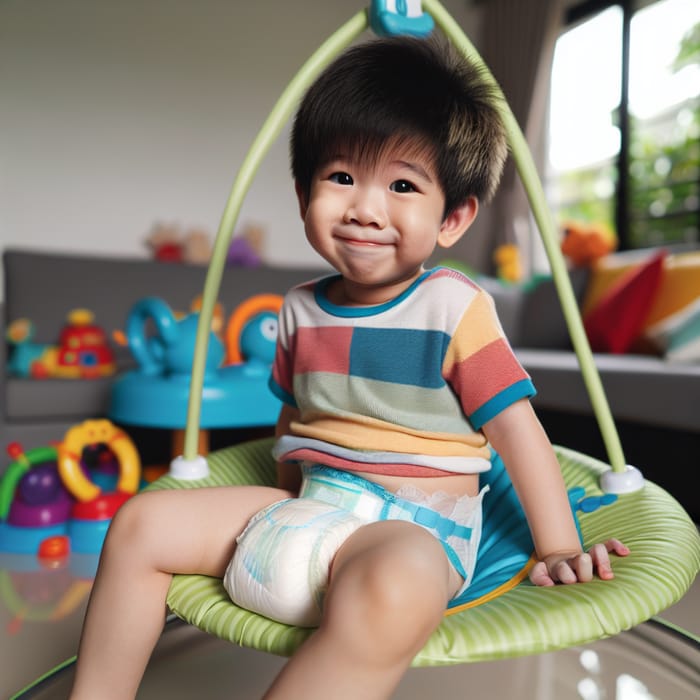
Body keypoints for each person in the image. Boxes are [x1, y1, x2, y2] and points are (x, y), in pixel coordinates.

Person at [69, 35, 629, 700]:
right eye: (341, 177)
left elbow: (516, 431)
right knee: (139, 524)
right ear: (305, 191)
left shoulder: (453, 307)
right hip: (310, 503)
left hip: (415, 528)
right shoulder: (300, 308)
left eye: (401, 184)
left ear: (452, 217)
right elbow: (295, 413)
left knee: (395, 583)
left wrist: (560, 545)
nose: (365, 207)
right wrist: (281, 498)